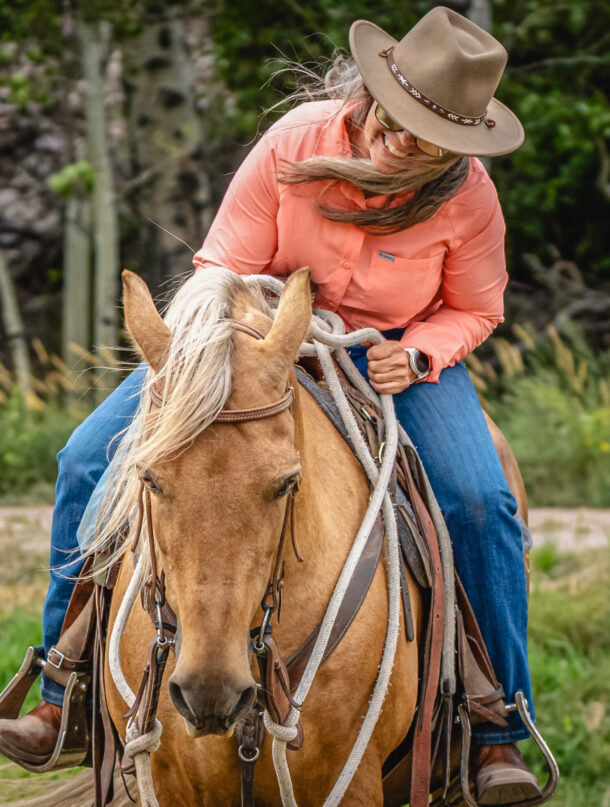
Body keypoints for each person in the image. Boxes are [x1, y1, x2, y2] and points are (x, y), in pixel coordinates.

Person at [0, 7, 541, 804]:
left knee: (479, 499)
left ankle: (497, 727)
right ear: (377, 89)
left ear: (459, 145)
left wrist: (421, 350)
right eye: (397, 114)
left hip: (388, 358)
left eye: (427, 132)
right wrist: (226, 345)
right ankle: (64, 686)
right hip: (250, 338)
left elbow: (478, 308)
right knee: (86, 456)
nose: (400, 136)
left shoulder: (472, 201)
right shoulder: (296, 140)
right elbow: (220, 264)